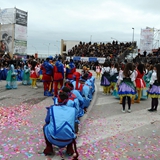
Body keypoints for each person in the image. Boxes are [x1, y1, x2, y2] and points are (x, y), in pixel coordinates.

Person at [43, 91, 79, 159]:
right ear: (68, 100)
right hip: (68, 139)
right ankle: (69, 148)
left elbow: (46, 121)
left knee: (45, 126)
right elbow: (75, 123)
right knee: (74, 125)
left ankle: (49, 147)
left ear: (57, 100)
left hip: (53, 138)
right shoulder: (73, 110)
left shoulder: (52, 108)